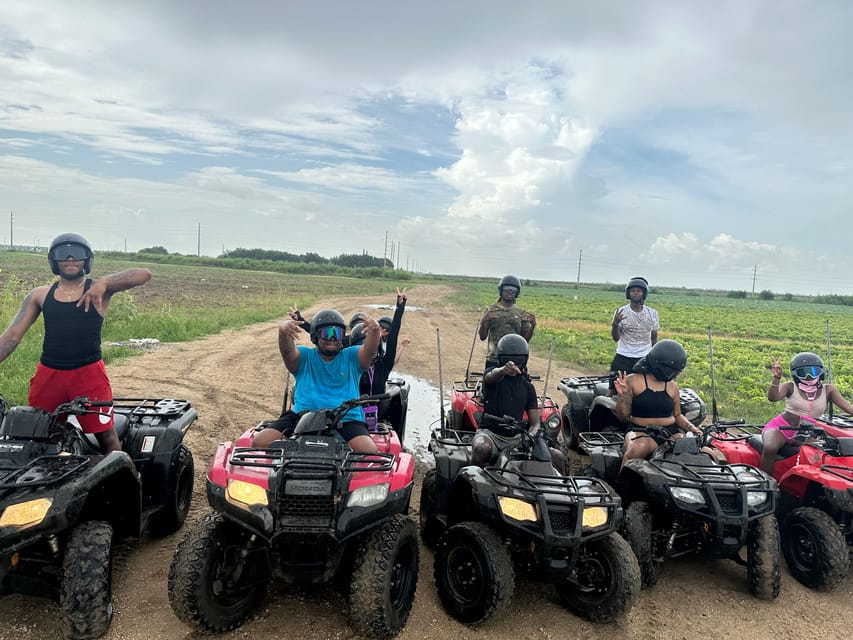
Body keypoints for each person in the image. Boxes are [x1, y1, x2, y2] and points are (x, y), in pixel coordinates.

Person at [0, 232, 152, 453]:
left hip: (88, 374)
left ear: (87, 259)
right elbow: (11, 336)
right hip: (49, 375)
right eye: (63, 253)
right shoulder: (40, 295)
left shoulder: (100, 290)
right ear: (54, 260)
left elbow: (144, 274)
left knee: (105, 433)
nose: (70, 258)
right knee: (36, 430)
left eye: (77, 253)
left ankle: (124, 478)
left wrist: (104, 282)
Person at [252, 308, 381, 453]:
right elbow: (287, 352)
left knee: (369, 452)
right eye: (327, 333)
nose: (332, 338)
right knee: (259, 442)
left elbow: (370, 350)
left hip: (346, 418)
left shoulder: (352, 357)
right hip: (302, 416)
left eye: (337, 333)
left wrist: (375, 331)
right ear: (315, 336)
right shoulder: (304, 356)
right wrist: (283, 332)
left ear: (343, 337)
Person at [472, 334, 566, 473]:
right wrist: (503, 369)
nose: (513, 363)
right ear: (501, 359)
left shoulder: (528, 387)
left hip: (517, 438)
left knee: (558, 457)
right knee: (482, 448)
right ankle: (472, 476)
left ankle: (561, 489)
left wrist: (531, 436)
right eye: (509, 360)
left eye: (518, 360)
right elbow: (490, 377)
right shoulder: (493, 376)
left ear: (524, 360)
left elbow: (535, 423)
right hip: (490, 434)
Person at [761, 352, 853, 475]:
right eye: (803, 373)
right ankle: (767, 481)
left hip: (809, 432)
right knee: (770, 448)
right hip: (782, 428)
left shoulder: (828, 390)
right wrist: (776, 378)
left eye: (813, 372)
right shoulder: (790, 386)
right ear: (796, 375)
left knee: (821, 455)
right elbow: (773, 398)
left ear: (820, 372)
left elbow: (849, 409)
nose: (809, 376)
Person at [614, 339, 702, 464]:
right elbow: (623, 416)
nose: (673, 375)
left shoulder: (672, 386)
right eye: (670, 371)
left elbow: (677, 415)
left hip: (669, 431)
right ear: (658, 365)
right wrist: (622, 396)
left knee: (691, 448)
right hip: (640, 430)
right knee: (637, 449)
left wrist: (692, 428)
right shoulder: (633, 380)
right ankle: (621, 481)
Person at [610, 277, 659, 390]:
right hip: (624, 356)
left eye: (639, 290)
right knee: (613, 390)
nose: (636, 293)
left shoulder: (652, 313)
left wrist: (654, 356)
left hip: (644, 357)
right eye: (633, 291)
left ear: (644, 293)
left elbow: (654, 336)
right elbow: (616, 338)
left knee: (647, 389)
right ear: (628, 293)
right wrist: (615, 324)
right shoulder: (621, 312)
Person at [478, 275, 536, 370]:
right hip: (494, 359)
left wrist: (532, 327)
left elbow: (525, 340)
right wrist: (483, 321)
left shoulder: (521, 312)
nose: (510, 292)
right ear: (501, 290)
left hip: (515, 359)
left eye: (513, 289)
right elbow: (482, 336)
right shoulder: (491, 310)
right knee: (491, 382)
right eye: (506, 289)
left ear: (517, 292)